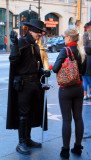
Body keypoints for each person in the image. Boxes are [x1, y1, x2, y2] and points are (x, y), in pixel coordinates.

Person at [6, 19, 50, 155]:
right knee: (24, 114)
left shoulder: (35, 45)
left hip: (34, 83)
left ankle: (28, 139)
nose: (40, 35)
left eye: (41, 33)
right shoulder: (21, 43)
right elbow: (13, 59)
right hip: (23, 84)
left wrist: (43, 71)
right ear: (31, 31)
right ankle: (22, 142)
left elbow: (36, 64)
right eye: (38, 32)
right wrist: (13, 44)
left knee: (30, 113)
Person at [53, 28, 86, 159]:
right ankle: (77, 147)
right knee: (78, 117)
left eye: (65, 37)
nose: (64, 39)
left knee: (67, 119)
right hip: (79, 88)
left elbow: (55, 68)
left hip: (66, 89)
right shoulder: (81, 51)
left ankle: (65, 150)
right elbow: (83, 70)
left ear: (69, 38)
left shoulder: (65, 51)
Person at [83, 25, 91, 99]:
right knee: (90, 79)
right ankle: (90, 93)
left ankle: (85, 95)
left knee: (84, 80)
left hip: (85, 58)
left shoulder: (84, 35)